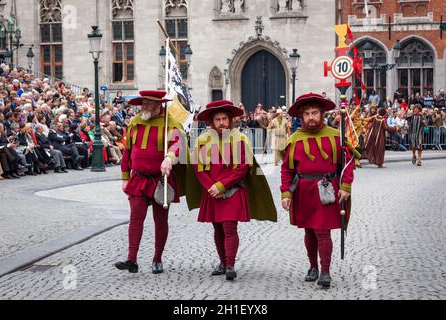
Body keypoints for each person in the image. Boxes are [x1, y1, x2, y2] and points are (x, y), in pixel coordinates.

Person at [187, 100, 277, 281]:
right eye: (217, 119)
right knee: (218, 228)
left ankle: (230, 264)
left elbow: (242, 168)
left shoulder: (240, 139)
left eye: (224, 119)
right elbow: (198, 168)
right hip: (211, 190)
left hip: (233, 190)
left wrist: (222, 186)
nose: (221, 123)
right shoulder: (203, 141)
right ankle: (222, 261)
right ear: (212, 122)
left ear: (230, 120)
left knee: (229, 227)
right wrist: (212, 187)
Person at [280, 93, 357, 289]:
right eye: (306, 114)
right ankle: (313, 266)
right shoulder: (295, 139)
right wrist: (286, 193)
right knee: (309, 231)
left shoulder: (335, 136)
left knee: (323, 232)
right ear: (301, 116)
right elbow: (287, 169)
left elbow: (348, 163)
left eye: (314, 113)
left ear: (322, 114)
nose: (311, 117)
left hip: (327, 189)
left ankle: (325, 271)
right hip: (304, 190)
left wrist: (346, 186)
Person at [115, 90, 188, 274]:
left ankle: (157, 258)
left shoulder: (170, 123)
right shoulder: (134, 122)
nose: (143, 107)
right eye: (143, 103)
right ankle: (132, 259)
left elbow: (177, 144)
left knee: (160, 220)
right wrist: (125, 177)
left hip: (160, 179)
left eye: (148, 103)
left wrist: (169, 158)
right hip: (138, 178)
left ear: (158, 105)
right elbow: (127, 152)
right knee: (136, 218)